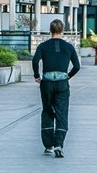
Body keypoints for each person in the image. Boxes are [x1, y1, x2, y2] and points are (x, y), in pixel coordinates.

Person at [32, 20, 81, 157]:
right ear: (62, 30)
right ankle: (59, 144)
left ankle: (48, 145)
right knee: (62, 112)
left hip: (46, 82)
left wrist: (37, 76)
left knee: (47, 110)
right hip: (62, 83)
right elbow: (77, 66)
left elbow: (35, 61)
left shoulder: (43, 46)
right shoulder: (69, 47)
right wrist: (67, 77)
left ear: (50, 30)